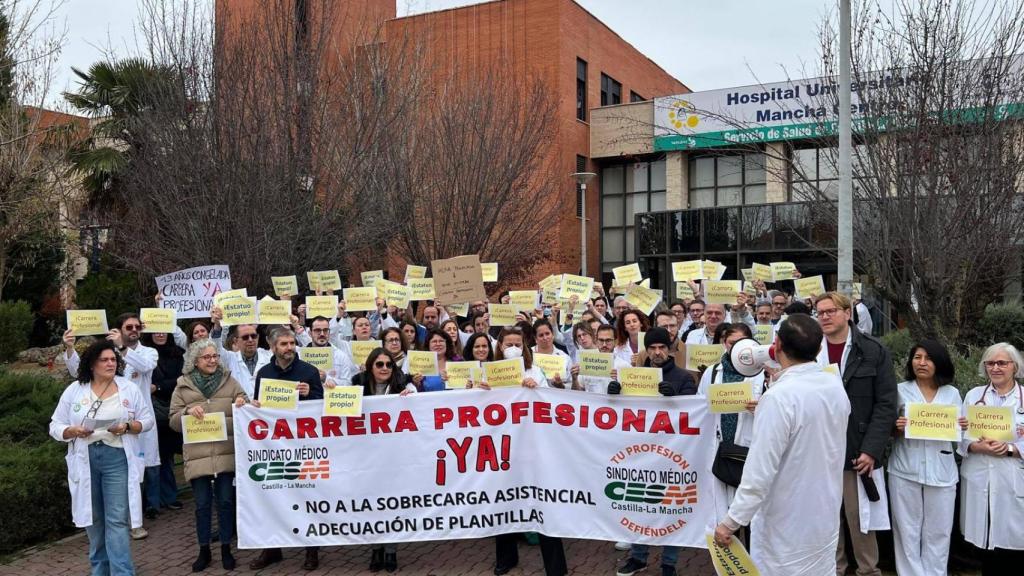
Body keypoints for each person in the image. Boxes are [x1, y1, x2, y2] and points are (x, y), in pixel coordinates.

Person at [713, 314, 851, 576]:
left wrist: (731, 522)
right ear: (820, 349)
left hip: (785, 521)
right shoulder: (834, 385)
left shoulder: (778, 398)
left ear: (775, 345)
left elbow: (759, 472)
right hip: (824, 513)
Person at [50, 340, 155, 576]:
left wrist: (127, 426)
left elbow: (147, 420)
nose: (110, 363)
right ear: (91, 364)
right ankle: (100, 570)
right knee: (93, 520)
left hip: (117, 457)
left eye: (113, 359)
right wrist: (72, 431)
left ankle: (122, 572)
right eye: (104, 360)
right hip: (86, 457)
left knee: (116, 519)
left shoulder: (128, 388)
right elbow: (55, 425)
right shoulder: (75, 389)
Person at [469, 328, 564, 576]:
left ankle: (556, 565)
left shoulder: (535, 371)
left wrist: (536, 390)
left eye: (517, 344)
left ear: (524, 346)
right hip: (502, 449)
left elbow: (552, 403)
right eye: (508, 343)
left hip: (534, 448)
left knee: (543, 504)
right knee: (504, 502)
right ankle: (506, 557)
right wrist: (481, 391)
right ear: (499, 346)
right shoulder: (487, 372)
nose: (512, 348)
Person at [813, 292, 896, 576]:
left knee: (860, 519)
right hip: (818, 450)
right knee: (824, 519)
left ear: (848, 313)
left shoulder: (873, 350)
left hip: (856, 451)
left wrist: (871, 450)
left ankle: (868, 571)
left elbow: (886, 404)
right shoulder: (810, 351)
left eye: (830, 311)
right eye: (819, 312)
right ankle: (831, 569)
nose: (823, 316)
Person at [609, 328, 697, 576]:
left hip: (672, 456)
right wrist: (614, 395)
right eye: (653, 348)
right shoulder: (633, 376)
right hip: (639, 455)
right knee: (640, 507)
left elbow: (694, 413)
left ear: (669, 349)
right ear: (646, 350)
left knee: (671, 509)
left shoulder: (683, 378)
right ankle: (638, 557)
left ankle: (668, 563)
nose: (657, 352)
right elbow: (618, 415)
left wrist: (677, 398)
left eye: (662, 347)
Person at [65, 313, 160, 537]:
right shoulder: (105, 353)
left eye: (137, 326)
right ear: (119, 329)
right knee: (119, 481)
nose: (134, 330)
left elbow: (145, 367)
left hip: (135, 423)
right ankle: (117, 522)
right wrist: (70, 349)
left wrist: (122, 349)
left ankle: (135, 521)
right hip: (100, 436)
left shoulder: (148, 352)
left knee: (136, 475)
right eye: (129, 327)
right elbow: (80, 371)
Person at [249, 326, 325, 571]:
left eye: (292, 343)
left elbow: (322, 407)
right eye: (284, 344)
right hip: (274, 446)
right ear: (273, 347)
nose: (289, 348)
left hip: (304, 445)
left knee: (307, 495)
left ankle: (311, 550)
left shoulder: (309, 372)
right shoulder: (264, 373)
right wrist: (252, 405)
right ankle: (272, 549)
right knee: (273, 495)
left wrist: (309, 394)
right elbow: (258, 409)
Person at [169, 339, 248, 572]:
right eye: (207, 357)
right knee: (202, 504)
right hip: (198, 455)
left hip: (225, 453)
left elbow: (246, 406)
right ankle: (204, 550)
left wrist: (242, 403)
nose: (213, 360)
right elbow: (173, 421)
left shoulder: (230, 381)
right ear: (195, 361)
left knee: (225, 502)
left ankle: (225, 548)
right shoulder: (183, 386)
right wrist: (187, 412)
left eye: (215, 356)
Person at [890, 340, 961, 576]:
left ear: (939, 363)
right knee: (906, 529)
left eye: (928, 358)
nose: (921, 363)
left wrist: (961, 425)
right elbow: (886, 428)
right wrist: (896, 426)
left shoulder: (952, 394)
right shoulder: (900, 390)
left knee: (939, 531)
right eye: (917, 357)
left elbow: (960, 434)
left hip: (941, 470)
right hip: (905, 468)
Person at [959, 342, 1024, 574]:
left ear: (1014, 367)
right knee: (986, 547)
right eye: (990, 363)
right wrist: (977, 446)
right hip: (981, 478)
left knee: (1014, 545)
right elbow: (959, 435)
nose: (995, 368)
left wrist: (1011, 449)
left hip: (1013, 478)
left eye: (1002, 363)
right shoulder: (974, 396)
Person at [698, 323, 764, 523]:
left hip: (750, 446)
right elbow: (700, 406)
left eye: (742, 343)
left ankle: (752, 552)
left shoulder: (764, 372)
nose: (736, 348)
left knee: (752, 510)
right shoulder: (712, 372)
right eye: (731, 343)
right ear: (724, 344)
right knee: (721, 508)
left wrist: (761, 407)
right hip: (719, 445)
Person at [142, 331, 184, 512]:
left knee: (167, 455)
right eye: (155, 331)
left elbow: (180, 380)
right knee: (150, 455)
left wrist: (158, 386)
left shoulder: (178, 353)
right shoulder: (144, 354)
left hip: (172, 407)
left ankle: (168, 496)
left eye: (163, 330)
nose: (160, 334)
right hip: (152, 410)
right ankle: (151, 501)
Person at [210, 311, 272, 399]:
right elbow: (215, 348)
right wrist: (217, 325)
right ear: (235, 341)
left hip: (265, 410)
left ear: (258, 337)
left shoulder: (269, 357)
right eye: (245, 337)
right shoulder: (230, 358)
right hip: (241, 410)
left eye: (253, 336)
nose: (250, 340)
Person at [301, 316, 357, 385]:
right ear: (310, 333)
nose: (322, 334)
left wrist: (327, 378)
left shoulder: (341, 356)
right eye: (317, 330)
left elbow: (348, 383)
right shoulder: (300, 356)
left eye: (325, 330)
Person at [532, 318, 571, 388]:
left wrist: (561, 385)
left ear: (552, 334)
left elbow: (571, 384)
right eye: (541, 335)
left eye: (547, 333)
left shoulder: (564, 357)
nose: (545, 337)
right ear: (535, 338)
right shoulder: (528, 355)